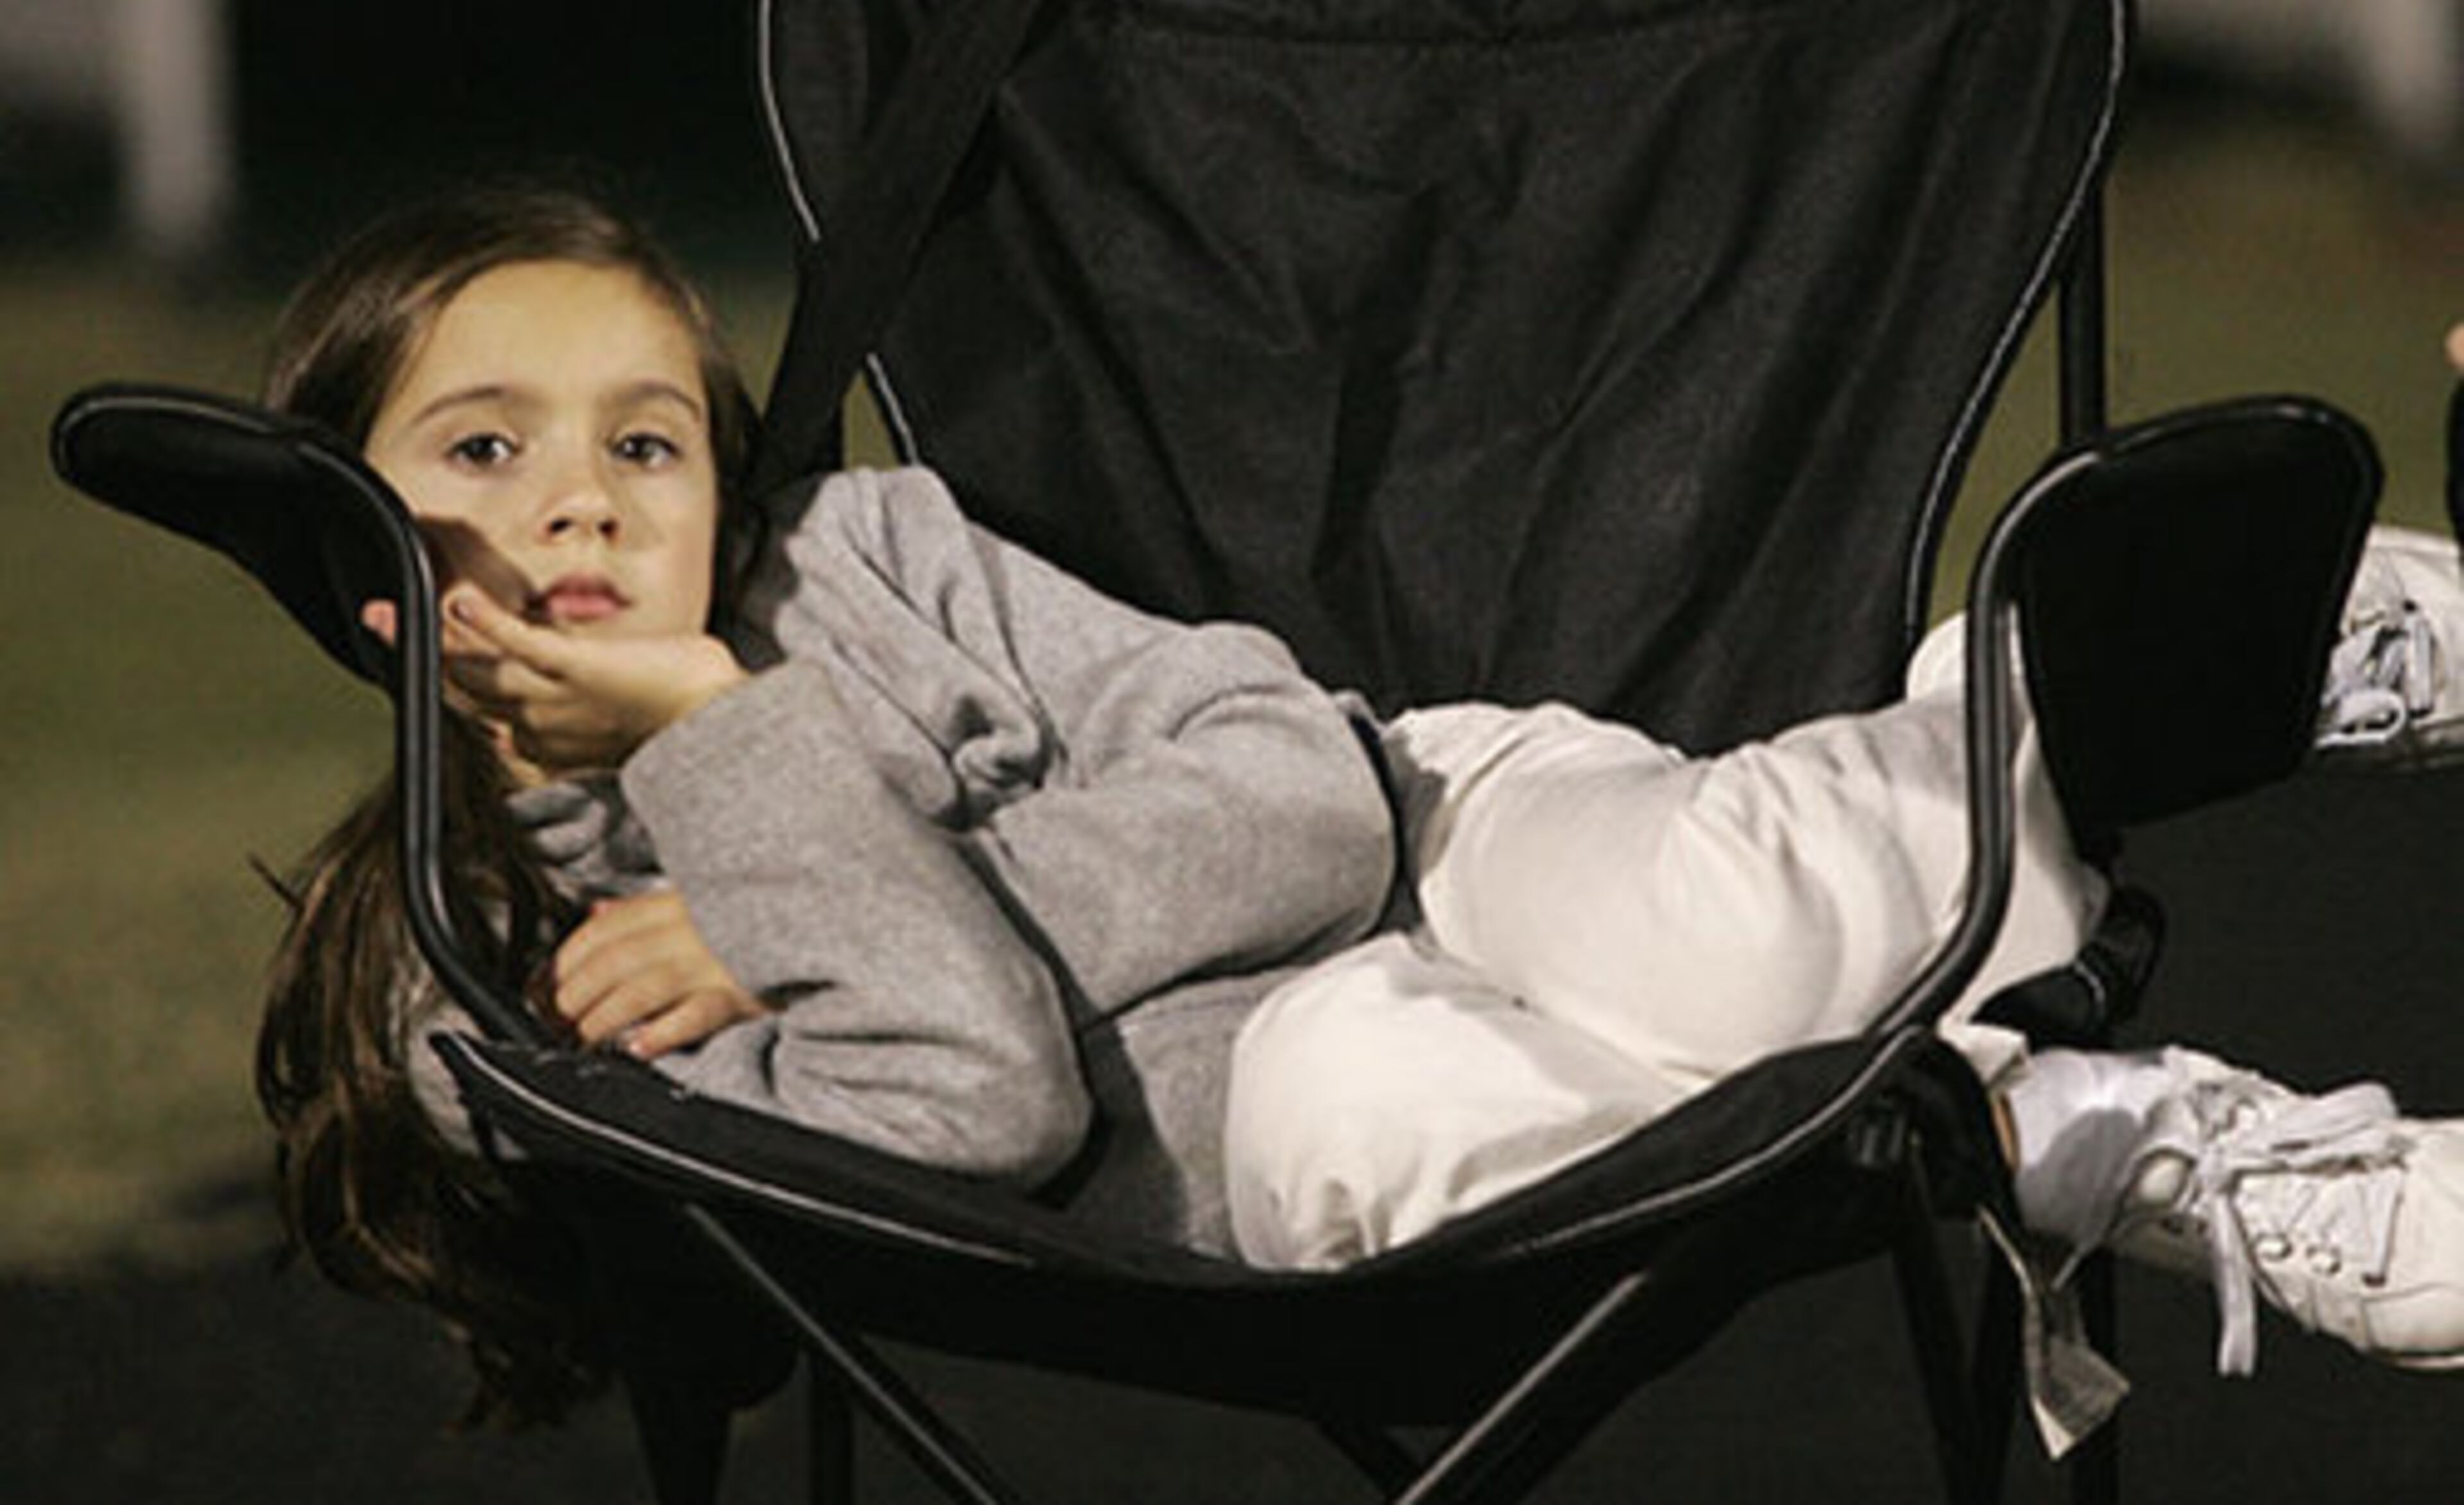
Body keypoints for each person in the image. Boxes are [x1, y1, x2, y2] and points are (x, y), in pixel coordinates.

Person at [255, 180, 2464, 1434]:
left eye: (648, 440)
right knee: (1392, 1091)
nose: (585, 496)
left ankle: (2144, 677)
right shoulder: (498, 984)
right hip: (1299, 1133)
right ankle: (2068, 1131)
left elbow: (1304, 794)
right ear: (358, 559)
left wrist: (802, 921)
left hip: (1436, 823)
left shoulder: (869, 559)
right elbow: (982, 1099)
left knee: (1741, 924)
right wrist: (723, 755)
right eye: (486, 448)